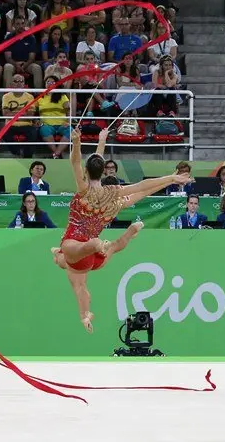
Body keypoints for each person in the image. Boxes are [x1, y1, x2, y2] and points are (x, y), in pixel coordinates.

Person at [51, 128, 194, 332]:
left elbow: (75, 162)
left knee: (74, 260)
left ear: (86, 171)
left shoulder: (83, 190)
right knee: (107, 250)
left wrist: (77, 142)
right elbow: (142, 187)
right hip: (92, 258)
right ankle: (115, 238)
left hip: (78, 246)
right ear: (103, 171)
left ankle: (97, 246)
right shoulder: (114, 197)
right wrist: (170, 179)